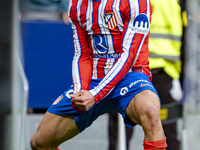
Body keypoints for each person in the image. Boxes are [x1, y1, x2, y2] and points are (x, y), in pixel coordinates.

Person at [30, 0, 167, 150]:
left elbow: (129, 55)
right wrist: (80, 90)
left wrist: (96, 94)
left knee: (151, 113)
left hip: (130, 77)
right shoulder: (76, 5)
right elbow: (81, 54)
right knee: (39, 142)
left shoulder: (136, 2)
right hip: (93, 79)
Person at [148, 0, 187, 149]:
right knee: (168, 131)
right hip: (165, 73)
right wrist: (182, 80)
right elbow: (185, 41)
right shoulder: (176, 2)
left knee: (120, 132)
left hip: (133, 72)